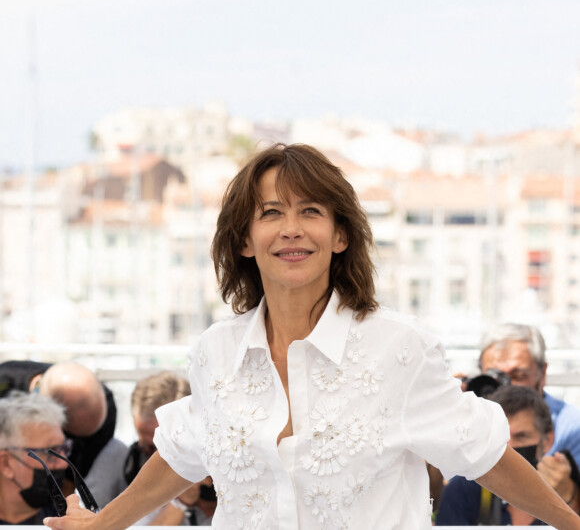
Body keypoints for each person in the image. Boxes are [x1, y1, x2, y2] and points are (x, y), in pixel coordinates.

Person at [43, 143, 580, 529]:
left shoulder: (399, 348)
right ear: (246, 240)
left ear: (340, 234)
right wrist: (103, 525)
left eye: (311, 211)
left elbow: (484, 454)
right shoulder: (216, 353)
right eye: (271, 213)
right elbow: (183, 452)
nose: (291, 228)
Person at [436, 385, 580, 525]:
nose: (509, 447)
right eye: (502, 436)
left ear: (547, 440)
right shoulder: (464, 489)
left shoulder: (567, 486)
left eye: (521, 436)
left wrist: (570, 498)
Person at [0, 360, 127, 507]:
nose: (62, 459)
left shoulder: (103, 411)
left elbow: (70, 480)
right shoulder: (5, 380)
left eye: (64, 446)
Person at [479, 323, 580, 466]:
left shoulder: (573, 428)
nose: (505, 388)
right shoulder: (469, 418)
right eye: (494, 377)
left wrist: (568, 488)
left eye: (519, 376)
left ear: (542, 373)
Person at [123, 371, 216, 526]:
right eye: (147, 447)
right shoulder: (135, 465)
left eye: (161, 447)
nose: (153, 458)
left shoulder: (221, 465)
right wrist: (181, 502)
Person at [0, 391, 70, 525]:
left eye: (65, 448)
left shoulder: (72, 520)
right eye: (51, 453)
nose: (63, 463)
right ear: (6, 464)